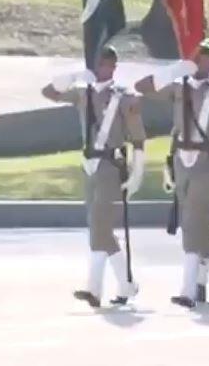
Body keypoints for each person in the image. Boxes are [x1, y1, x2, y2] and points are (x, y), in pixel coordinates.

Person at [135, 38, 209, 308]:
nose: (202, 61)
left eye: (208, 56)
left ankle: (188, 289)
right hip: (182, 162)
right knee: (194, 226)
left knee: (195, 222)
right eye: (198, 56)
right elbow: (142, 87)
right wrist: (174, 69)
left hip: (208, 161)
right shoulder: (179, 87)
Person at [42, 46, 146, 308]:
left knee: (100, 225)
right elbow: (49, 92)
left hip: (111, 164)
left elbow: (139, 139)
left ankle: (94, 289)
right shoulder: (82, 93)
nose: (102, 68)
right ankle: (126, 284)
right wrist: (75, 75)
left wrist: (137, 173)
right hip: (88, 164)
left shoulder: (124, 97)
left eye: (106, 64)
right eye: (98, 64)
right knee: (99, 229)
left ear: (114, 67)